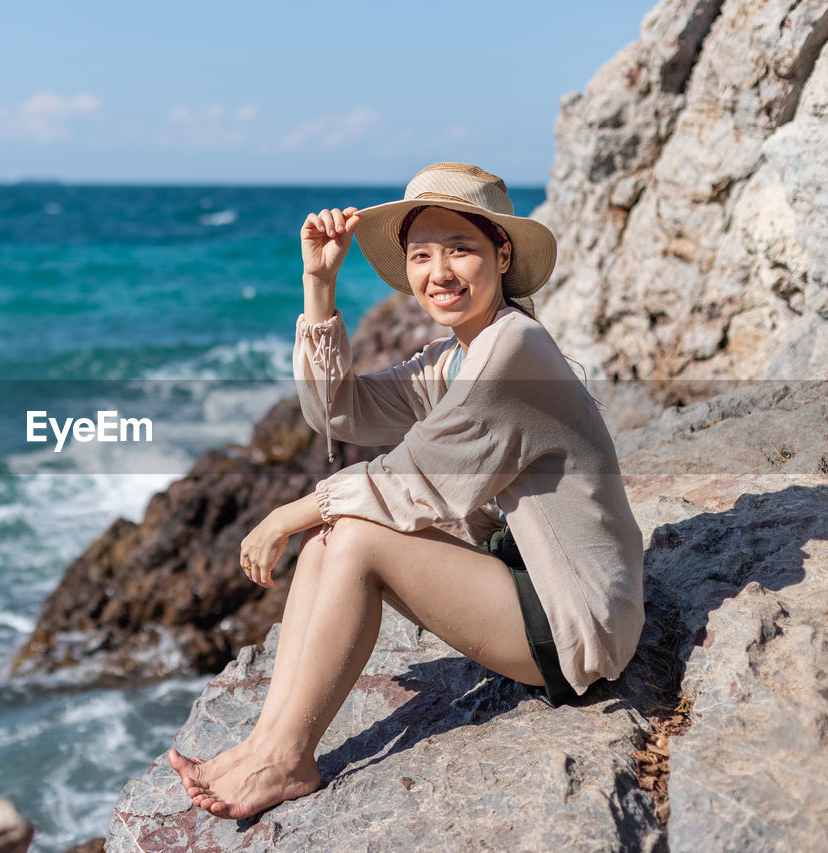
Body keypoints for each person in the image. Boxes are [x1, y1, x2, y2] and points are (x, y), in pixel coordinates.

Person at [166, 162, 645, 820]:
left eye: (461, 249)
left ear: (501, 255)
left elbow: (415, 475)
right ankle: (266, 744)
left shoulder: (516, 348)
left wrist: (287, 512)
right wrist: (319, 283)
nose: (438, 272)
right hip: (522, 578)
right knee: (328, 542)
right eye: (421, 254)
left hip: (578, 623)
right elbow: (339, 411)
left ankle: (286, 759)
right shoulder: (456, 354)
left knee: (353, 535)